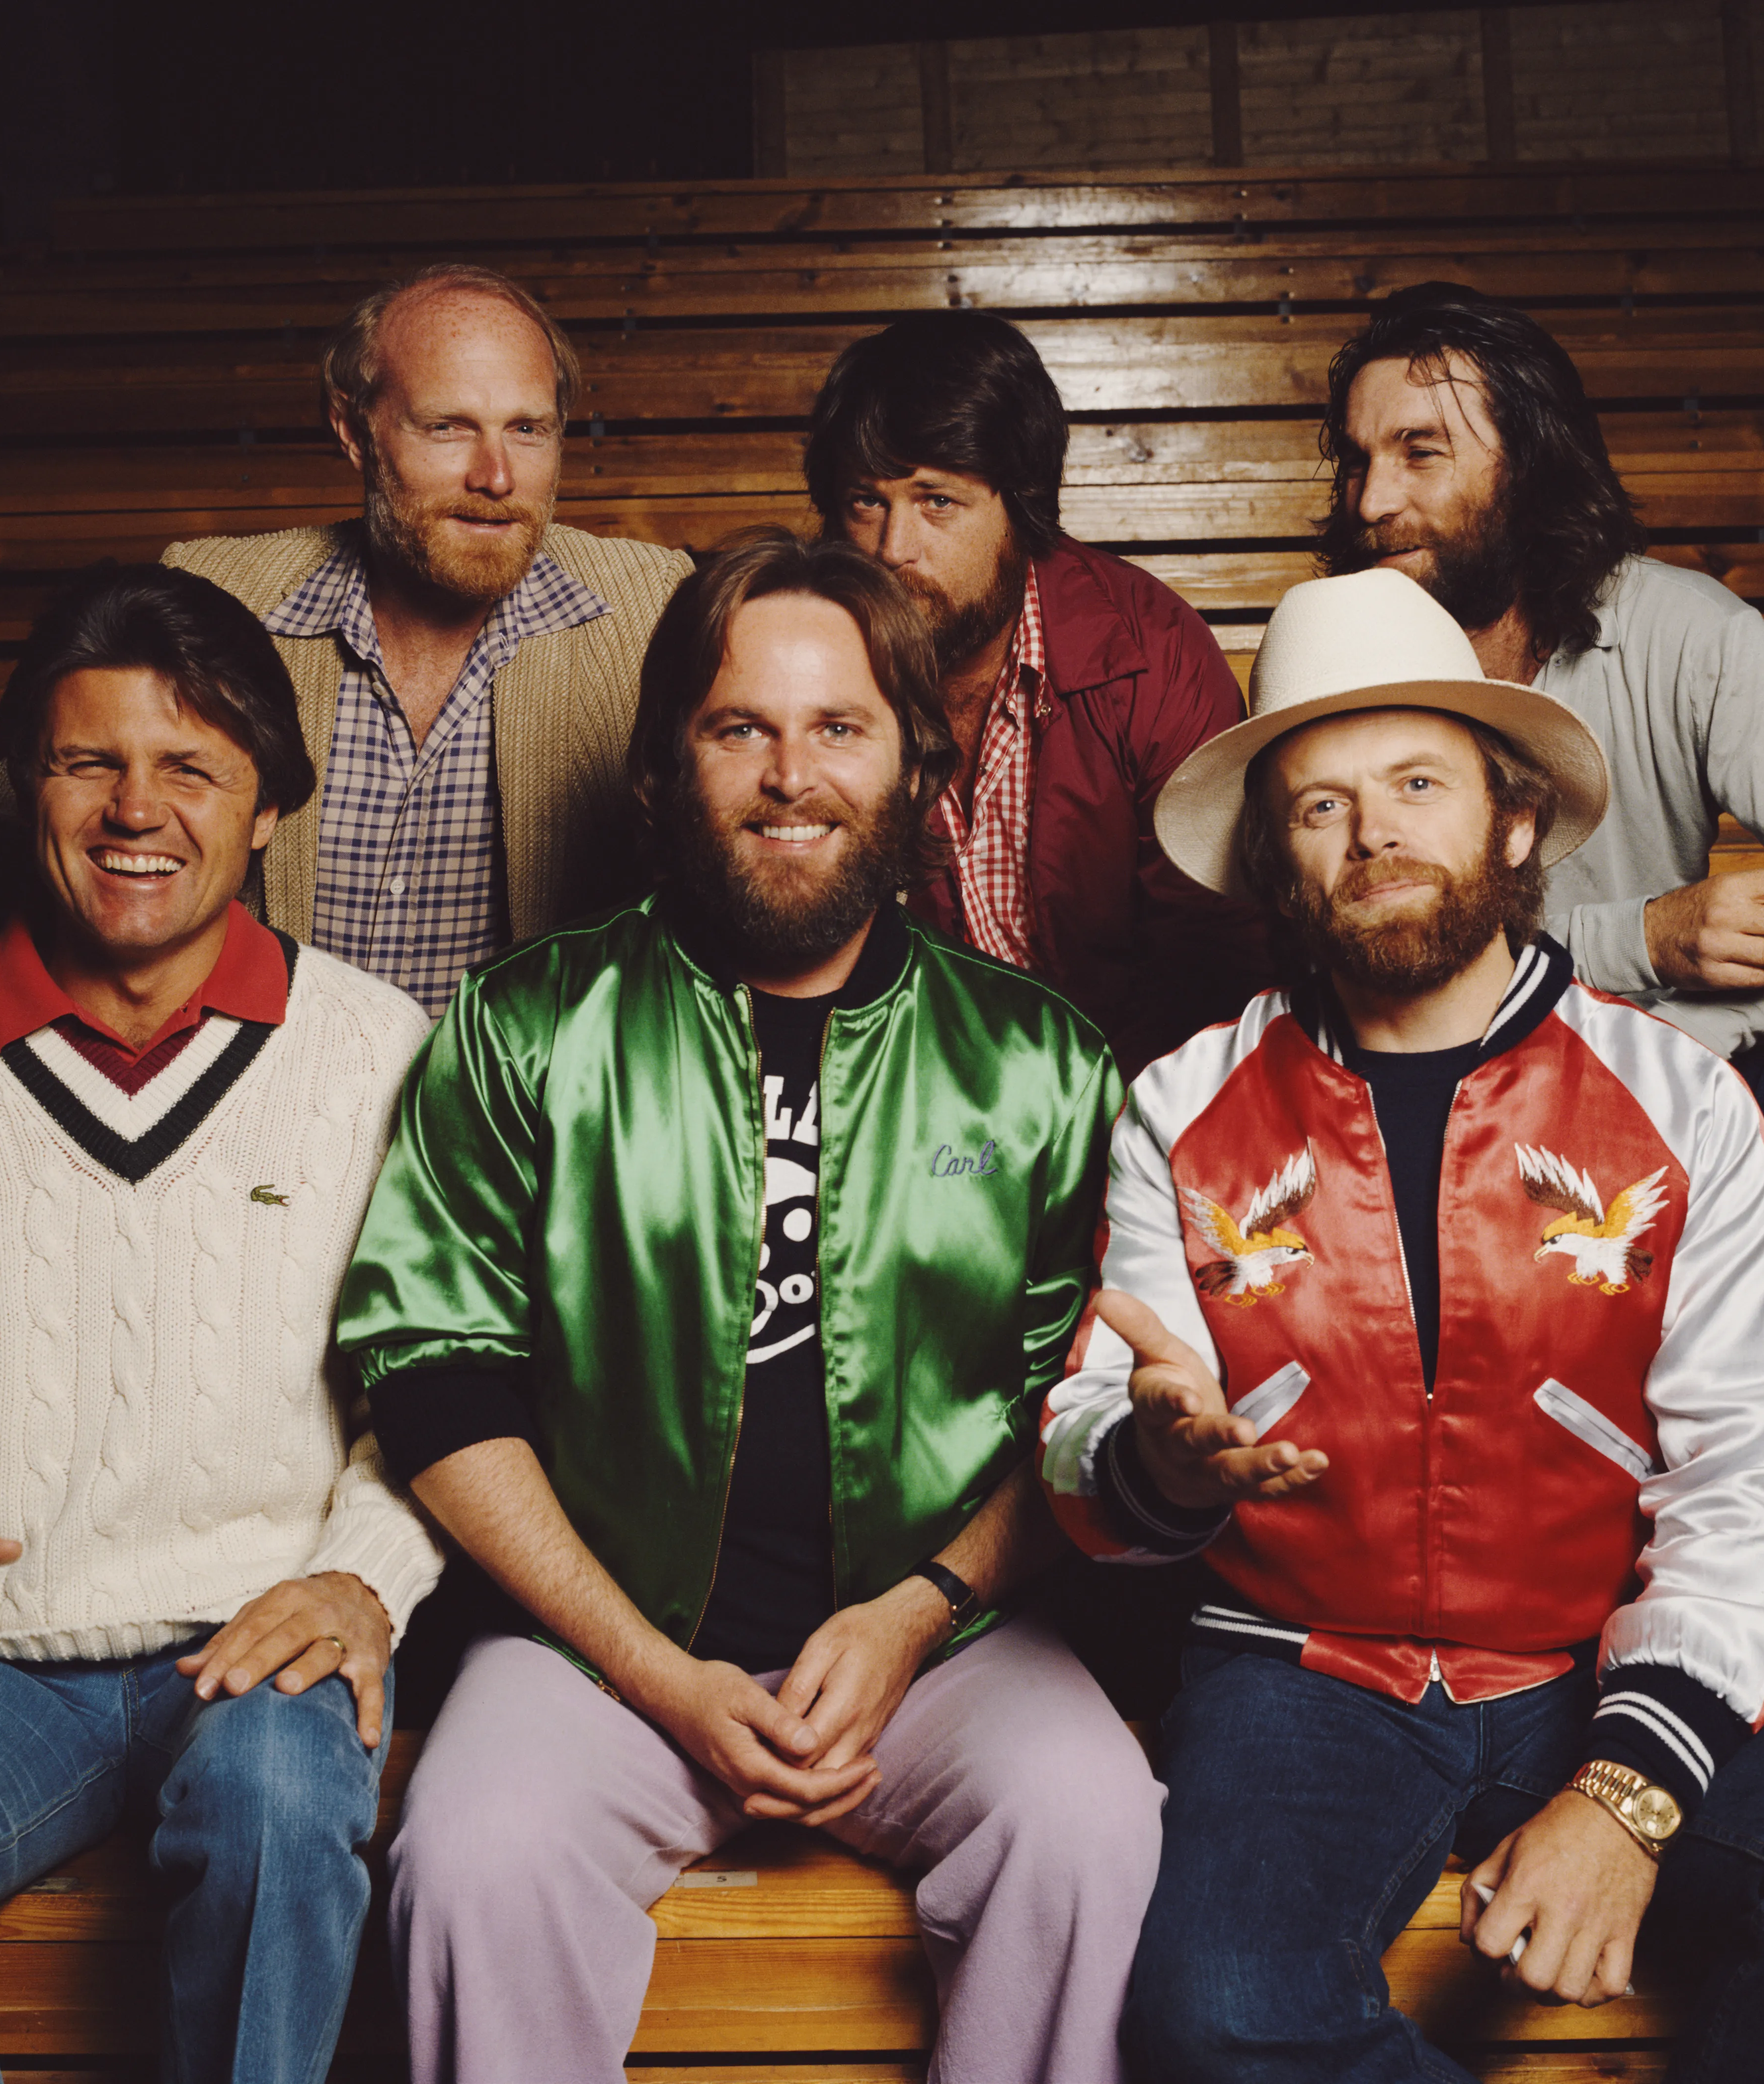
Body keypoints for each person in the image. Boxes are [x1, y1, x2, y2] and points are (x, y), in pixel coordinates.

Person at [1039, 565, 1764, 2084]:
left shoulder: (1678, 1103)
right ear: (1278, 862)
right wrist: (1156, 1468)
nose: (1373, 831)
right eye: (1320, 806)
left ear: (1513, 818)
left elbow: (1759, 1476)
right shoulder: (1180, 1111)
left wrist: (1631, 1787)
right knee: (1217, 2011)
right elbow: (1086, 1441)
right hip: (1301, 1672)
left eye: (1416, 782)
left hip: (1599, 1643)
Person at [337, 530, 1163, 2084]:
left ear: (917, 765)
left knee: (1092, 1817)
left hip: (939, 1644)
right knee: (469, 1852)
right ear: (667, 768)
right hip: (604, 1647)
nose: (794, 775)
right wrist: (659, 1674)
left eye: (839, 727)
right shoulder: (529, 1024)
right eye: (743, 729)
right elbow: (433, 1375)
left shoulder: (1043, 1061)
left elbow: (1085, 1411)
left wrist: (916, 1612)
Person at [0, 566, 441, 2084]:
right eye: (87, 761)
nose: (138, 808)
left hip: (260, 1627)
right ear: (28, 786)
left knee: (279, 1821)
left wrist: (361, 1581)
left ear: (264, 811)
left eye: (190, 766)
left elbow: (438, 1393)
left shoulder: (380, 1052)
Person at [1316, 280, 1764, 1704]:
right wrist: (1646, 939)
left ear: (1522, 460)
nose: (1370, 496)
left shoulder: (1680, 631)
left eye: (1418, 452)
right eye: (1357, 458)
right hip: (1447, 1104)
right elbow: (1348, 964)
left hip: (1680, 1086)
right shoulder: (1342, 662)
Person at [0, 264, 691, 1016]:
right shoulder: (222, 592)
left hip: (522, 1129)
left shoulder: (650, 608)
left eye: (527, 430)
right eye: (447, 427)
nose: (494, 475)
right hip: (265, 1123)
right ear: (354, 430)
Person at [806, 308, 1266, 1081]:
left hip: (1132, 1100)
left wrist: (1088, 1123)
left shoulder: (1148, 653)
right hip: (902, 1102)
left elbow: (1214, 958)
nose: (893, 549)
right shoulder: (809, 664)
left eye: (937, 501)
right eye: (866, 502)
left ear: (1021, 507)